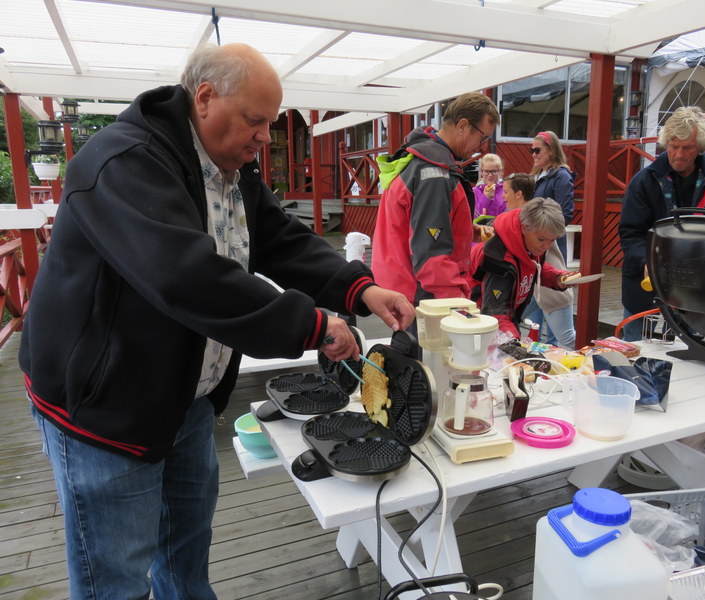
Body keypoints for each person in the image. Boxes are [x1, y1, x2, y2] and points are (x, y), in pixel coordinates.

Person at [19, 43, 415, 600]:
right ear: (204, 98)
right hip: (105, 408)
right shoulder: (125, 161)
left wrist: (360, 287)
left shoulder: (229, 167)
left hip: (188, 398)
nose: (264, 137)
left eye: (270, 123)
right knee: (116, 582)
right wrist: (313, 326)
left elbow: (280, 238)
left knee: (185, 561)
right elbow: (186, 276)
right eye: (255, 120)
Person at [618, 106, 705, 341]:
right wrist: (646, 260)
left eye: (686, 148)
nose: (678, 154)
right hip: (646, 282)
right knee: (634, 348)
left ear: (701, 147)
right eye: (673, 146)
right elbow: (631, 232)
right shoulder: (644, 181)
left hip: (700, 287)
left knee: (688, 350)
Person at [372, 91, 500, 307]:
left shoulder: (420, 157)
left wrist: (468, 230)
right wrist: (459, 306)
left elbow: (418, 226)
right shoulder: (434, 174)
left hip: (401, 288)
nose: (482, 146)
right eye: (483, 137)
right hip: (420, 298)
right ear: (462, 126)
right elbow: (431, 257)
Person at [468, 197, 576, 339]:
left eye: (552, 240)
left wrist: (557, 278)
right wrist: (514, 342)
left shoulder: (528, 241)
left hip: (503, 316)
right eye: (542, 239)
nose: (546, 246)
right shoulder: (498, 258)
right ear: (524, 228)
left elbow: (532, 266)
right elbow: (495, 314)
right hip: (475, 324)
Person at [522, 131, 577, 348]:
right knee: (536, 304)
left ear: (551, 150)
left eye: (537, 150)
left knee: (551, 300)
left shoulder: (561, 176)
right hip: (534, 248)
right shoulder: (537, 176)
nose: (533, 154)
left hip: (550, 248)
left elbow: (565, 214)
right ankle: (536, 348)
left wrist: (543, 232)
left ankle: (555, 351)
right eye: (531, 150)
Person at [473, 153, 507, 218]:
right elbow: (473, 217)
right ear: (481, 172)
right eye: (486, 171)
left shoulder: (506, 190)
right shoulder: (474, 191)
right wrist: (486, 198)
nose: (490, 175)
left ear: (500, 171)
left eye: (494, 171)